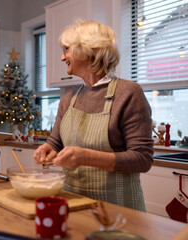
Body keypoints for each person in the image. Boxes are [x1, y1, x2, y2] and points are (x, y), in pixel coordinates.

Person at [33, 20, 153, 211]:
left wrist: (86, 157)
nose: (63, 57)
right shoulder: (70, 97)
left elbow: (142, 159)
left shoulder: (129, 93)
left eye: (66, 49)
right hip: (73, 203)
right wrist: (47, 148)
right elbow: (56, 143)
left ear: (87, 50)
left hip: (118, 209)